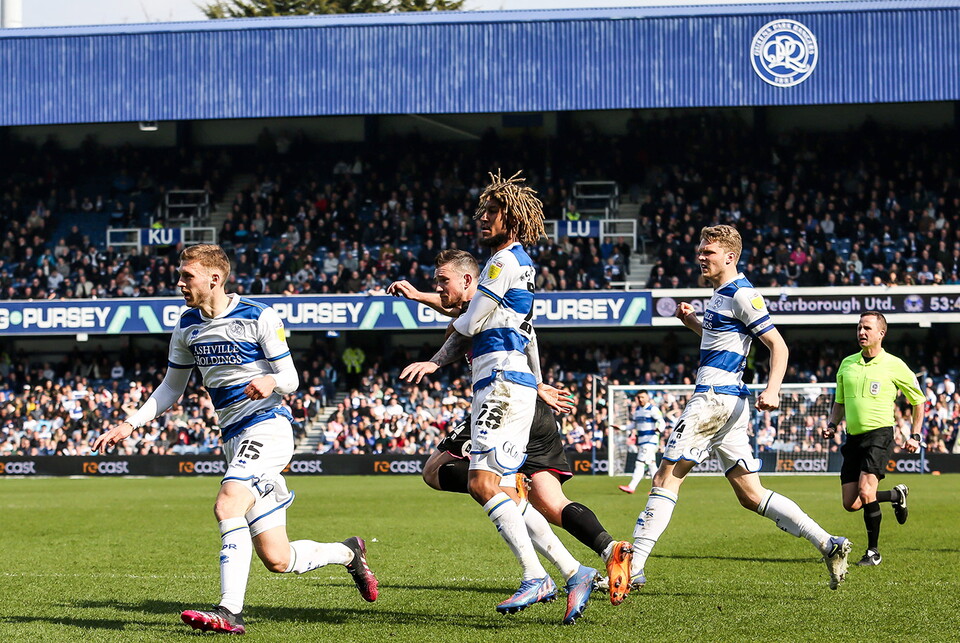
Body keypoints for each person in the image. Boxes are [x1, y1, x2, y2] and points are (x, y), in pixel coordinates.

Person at [93, 244, 378, 635]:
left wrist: (271, 380)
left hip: (268, 426)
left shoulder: (258, 315)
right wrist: (131, 423)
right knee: (278, 558)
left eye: (187, 276)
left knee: (227, 502)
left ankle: (229, 611)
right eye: (179, 275)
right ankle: (349, 552)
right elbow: (172, 387)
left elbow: (291, 379)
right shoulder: (186, 325)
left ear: (215, 278)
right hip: (233, 437)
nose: (179, 283)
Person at [399, 172, 611, 616]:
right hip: (504, 384)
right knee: (505, 490)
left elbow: (471, 321)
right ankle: (575, 571)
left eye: (492, 212)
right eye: (483, 211)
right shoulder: (515, 263)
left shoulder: (502, 262)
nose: (483, 218)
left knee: (482, 483)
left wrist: (435, 358)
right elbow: (501, 326)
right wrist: (537, 381)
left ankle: (537, 577)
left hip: (501, 386)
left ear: (511, 218)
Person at [628, 225, 852, 592]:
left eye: (709, 252)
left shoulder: (742, 294)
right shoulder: (719, 295)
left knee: (666, 478)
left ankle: (631, 567)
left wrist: (773, 389)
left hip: (713, 399)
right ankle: (829, 543)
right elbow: (723, 341)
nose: (701, 256)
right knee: (751, 495)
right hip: (727, 402)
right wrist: (692, 322)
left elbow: (778, 345)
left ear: (730, 257)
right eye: (701, 250)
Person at [822, 311, 924, 567]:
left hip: (879, 434)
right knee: (851, 503)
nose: (861, 332)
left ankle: (873, 552)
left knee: (867, 491)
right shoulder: (847, 364)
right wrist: (832, 424)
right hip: (853, 438)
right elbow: (839, 402)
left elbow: (918, 401)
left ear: (881, 333)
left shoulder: (895, 364)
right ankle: (896, 495)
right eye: (859, 327)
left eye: (867, 328)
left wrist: (915, 435)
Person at [616, 390, 665, 494]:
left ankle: (631, 486)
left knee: (640, 463)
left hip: (650, 441)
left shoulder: (653, 409)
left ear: (647, 397)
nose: (640, 399)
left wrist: (659, 429)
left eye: (642, 397)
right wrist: (621, 427)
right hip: (642, 441)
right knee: (651, 465)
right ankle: (658, 488)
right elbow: (633, 425)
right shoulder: (637, 410)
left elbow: (661, 421)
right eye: (638, 397)